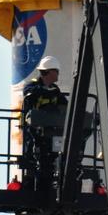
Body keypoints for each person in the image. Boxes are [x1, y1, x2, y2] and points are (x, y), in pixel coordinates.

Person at [20, 56, 68, 192]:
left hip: (50, 132)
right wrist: (46, 92)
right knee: (33, 158)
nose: (58, 74)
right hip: (33, 131)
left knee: (52, 158)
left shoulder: (55, 89)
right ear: (49, 72)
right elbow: (29, 94)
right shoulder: (32, 85)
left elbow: (66, 106)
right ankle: (32, 181)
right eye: (56, 71)